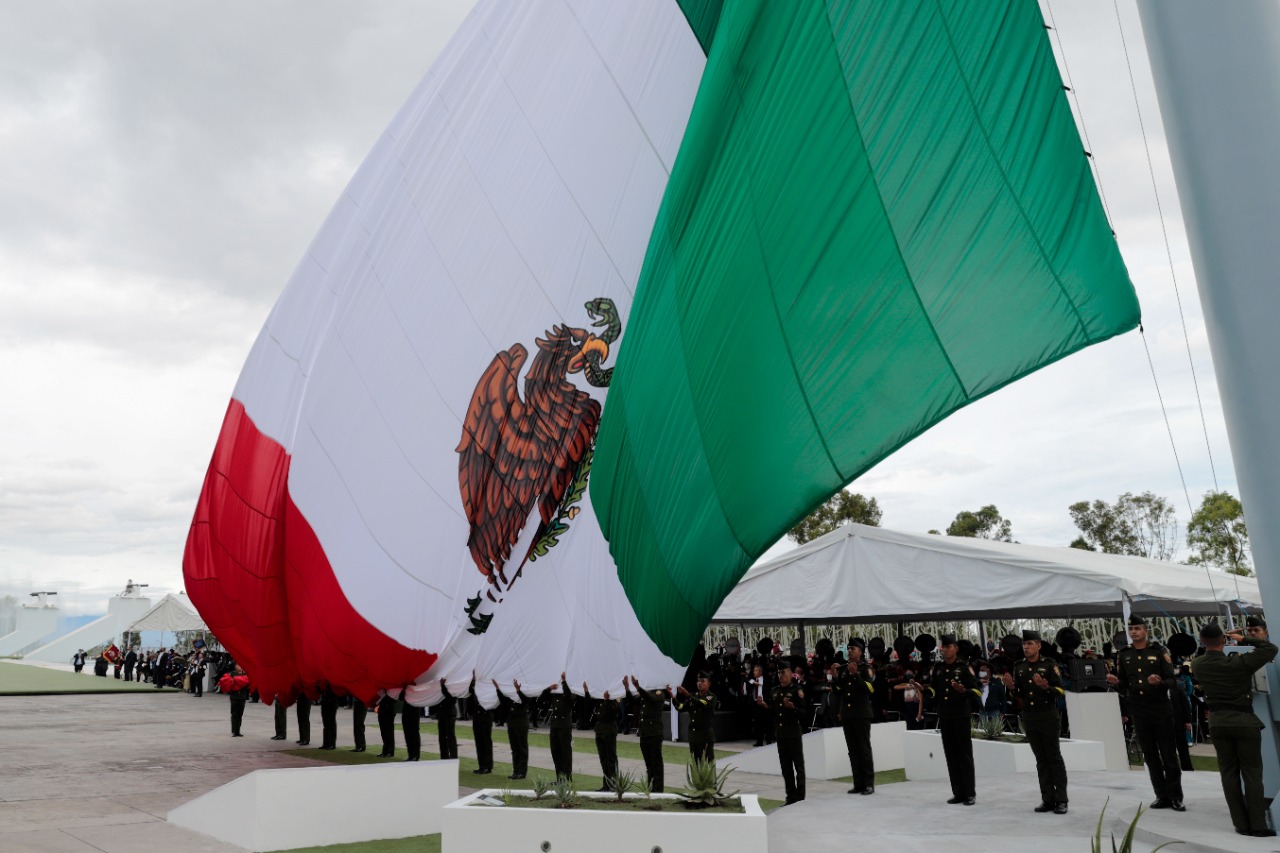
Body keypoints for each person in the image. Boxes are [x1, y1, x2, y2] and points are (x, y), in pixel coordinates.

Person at [1191, 621, 1278, 837]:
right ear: (1224, 640)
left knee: (1229, 774)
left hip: (1218, 722)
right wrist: (1242, 638)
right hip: (1243, 721)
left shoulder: (1198, 664)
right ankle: (1257, 824)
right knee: (1252, 774)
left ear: (1202, 641)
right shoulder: (1239, 663)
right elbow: (1270, 649)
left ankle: (1240, 823)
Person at [1107, 615, 1183, 810]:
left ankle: (1175, 796)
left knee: (1168, 754)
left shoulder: (1158, 652)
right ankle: (1161, 795)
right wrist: (1116, 682)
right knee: (1150, 755)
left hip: (1159, 707)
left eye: (1137, 628)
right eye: (1131, 629)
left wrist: (1159, 683)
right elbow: (1124, 683)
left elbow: (1173, 681)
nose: (1134, 632)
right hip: (1139, 709)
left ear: (1145, 631)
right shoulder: (1124, 655)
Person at [1003, 630, 1068, 814]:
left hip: (1048, 715)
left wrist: (1046, 687)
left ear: (1038, 646)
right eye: (1024, 644)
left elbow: (1060, 691)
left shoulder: (1049, 665)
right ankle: (1047, 799)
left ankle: (1062, 799)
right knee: (1040, 759)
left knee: (1053, 757)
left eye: (1030, 644)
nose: (1026, 647)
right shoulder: (1019, 666)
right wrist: (1011, 687)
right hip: (1030, 717)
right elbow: (1017, 695)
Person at [928, 634, 979, 806]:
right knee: (951, 755)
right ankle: (958, 792)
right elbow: (934, 692)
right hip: (945, 716)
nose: (945, 649)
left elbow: (977, 691)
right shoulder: (938, 668)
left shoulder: (964, 668)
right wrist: (924, 690)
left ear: (956, 649)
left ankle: (970, 793)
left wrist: (963, 690)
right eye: (943, 647)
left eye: (949, 646)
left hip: (961, 716)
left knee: (964, 755)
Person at [759, 660, 807, 805]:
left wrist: (792, 708)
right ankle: (790, 796)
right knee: (786, 768)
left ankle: (800, 797)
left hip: (793, 733)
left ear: (791, 674)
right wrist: (765, 706)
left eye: (784, 672)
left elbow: (804, 713)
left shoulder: (797, 691)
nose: (781, 675)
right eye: (779, 673)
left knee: (798, 766)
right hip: (780, 734)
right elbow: (773, 713)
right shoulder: (775, 691)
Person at [835, 642, 875, 795]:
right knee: (853, 750)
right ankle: (858, 783)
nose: (850, 651)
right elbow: (839, 690)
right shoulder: (844, 669)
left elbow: (870, 689)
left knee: (864, 749)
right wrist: (835, 677)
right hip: (848, 714)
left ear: (860, 652)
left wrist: (856, 675)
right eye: (849, 648)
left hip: (861, 714)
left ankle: (868, 784)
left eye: (853, 649)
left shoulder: (865, 668)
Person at [629, 675, 671, 793]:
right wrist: (627, 688)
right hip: (645, 732)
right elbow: (634, 700)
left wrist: (638, 687)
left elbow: (650, 699)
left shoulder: (659, 693)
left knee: (656, 762)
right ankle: (650, 786)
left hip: (654, 732)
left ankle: (658, 789)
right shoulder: (646, 694)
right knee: (649, 763)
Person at [674, 672, 718, 764]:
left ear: (709, 684)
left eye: (703, 681)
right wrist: (672, 697)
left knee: (707, 764)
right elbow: (681, 707)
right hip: (693, 736)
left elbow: (701, 703)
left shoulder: (711, 697)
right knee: (695, 763)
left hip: (705, 736)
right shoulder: (693, 695)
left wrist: (687, 695)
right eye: (698, 681)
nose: (699, 683)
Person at [583, 681, 619, 791]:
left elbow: (614, 711)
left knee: (611, 759)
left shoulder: (613, 695)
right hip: (599, 730)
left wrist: (608, 700)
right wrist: (587, 692)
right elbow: (589, 705)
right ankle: (606, 784)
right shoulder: (598, 696)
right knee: (603, 758)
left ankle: (613, 784)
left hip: (609, 729)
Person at [542, 673, 574, 780]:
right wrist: (549, 688)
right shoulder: (555, 694)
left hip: (564, 725)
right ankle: (559, 778)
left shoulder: (569, 691)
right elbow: (542, 698)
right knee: (555, 751)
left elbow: (569, 695)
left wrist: (564, 682)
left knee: (565, 752)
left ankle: (568, 778)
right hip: (555, 725)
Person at [496, 679, 531, 779]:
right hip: (512, 723)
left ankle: (522, 772)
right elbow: (503, 701)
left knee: (522, 748)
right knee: (514, 748)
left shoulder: (525, 695)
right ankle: (516, 771)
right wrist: (498, 688)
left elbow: (525, 700)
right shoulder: (511, 698)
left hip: (521, 723)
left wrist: (518, 691)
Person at [468, 677, 493, 773]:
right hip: (477, 716)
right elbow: (470, 694)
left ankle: (488, 765)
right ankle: (481, 765)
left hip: (485, 715)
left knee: (486, 741)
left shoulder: (486, 686)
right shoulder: (474, 687)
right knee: (479, 741)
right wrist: (472, 683)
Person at [218, 665, 251, 737]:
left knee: (240, 714)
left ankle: (238, 730)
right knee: (234, 714)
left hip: (242, 697)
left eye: (240, 666)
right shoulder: (232, 673)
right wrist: (239, 681)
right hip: (234, 697)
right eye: (238, 666)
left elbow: (247, 682)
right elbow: (227, 681)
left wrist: (236, 680)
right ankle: (234, 731)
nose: (239, 667)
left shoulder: (245, 674)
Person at [746, 664, 772, 746]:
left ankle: (769, 741)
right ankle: (759, 741)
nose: (754, 672)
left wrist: (767, 703)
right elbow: (746, 680)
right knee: (758, 723)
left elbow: (769, 691)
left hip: (764, 703)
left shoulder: (766, 680)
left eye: (756, 670)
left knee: (767, 723)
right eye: (754, 670)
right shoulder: (752, 681)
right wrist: (753, 682)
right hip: (755, 704)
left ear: (760, 672)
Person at [434, 678, 458, 760]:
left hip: (449, 712)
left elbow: (450, 697)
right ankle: (444, 756)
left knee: (450, 736)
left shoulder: (453, 686)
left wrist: (442, 686)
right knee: (442, 736)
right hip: (442, 712)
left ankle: (453, 756)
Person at [401, 689, 422, 762]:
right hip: (406, 709)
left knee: (414, 732)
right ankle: (411, 755)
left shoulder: (417, 687)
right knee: (407, 733)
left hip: (414, 709)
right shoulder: (405, 687)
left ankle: (416, 755)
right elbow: (400, 697)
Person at [376, 692, 397, 757]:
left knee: (388, 730)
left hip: (388, 707)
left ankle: (389, 751)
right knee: (384, 730)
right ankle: (385, 750)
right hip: (382, 707)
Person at [318, 686, 339, 750]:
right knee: (326, 723)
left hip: (332, 701)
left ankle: (332, 744)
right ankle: (326, 743)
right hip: (325, 701)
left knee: (331, 723)